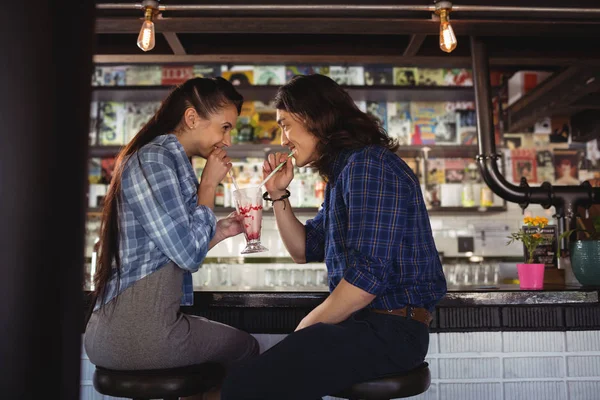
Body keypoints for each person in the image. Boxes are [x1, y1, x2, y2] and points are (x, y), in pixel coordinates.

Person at [219, 74, 447, 400]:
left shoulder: (369, 166)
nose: (283, 139)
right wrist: (279, 195)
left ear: (314, 118)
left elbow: (367, 278)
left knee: (243, 387)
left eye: (285, 124)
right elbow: (303, 248)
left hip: (392, 332)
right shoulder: (345, 173)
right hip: (368, 327)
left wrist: (303, 331)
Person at [84, 78, 259, 394]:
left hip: (123, 329)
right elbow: (188, 256)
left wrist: (220, 231)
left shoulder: (166, 160)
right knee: (246, 348)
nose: (228, 140)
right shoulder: (156, 159)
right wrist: (208, 186)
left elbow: (172, 245)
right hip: (140, 331)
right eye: (225, 127)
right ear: (192, 118)